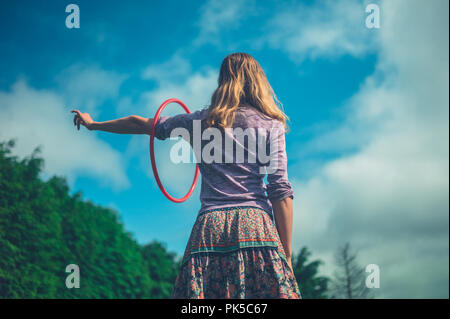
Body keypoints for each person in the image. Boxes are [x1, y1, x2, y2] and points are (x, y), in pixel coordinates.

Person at [71, 52, 301, 299]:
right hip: (256, 226)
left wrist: (93, 124)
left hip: (209, 228)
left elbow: (140, 124)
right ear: (258, 81)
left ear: (223, 81)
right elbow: (280, 190)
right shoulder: (271, 124)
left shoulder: (199, 121)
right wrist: (286, 253)